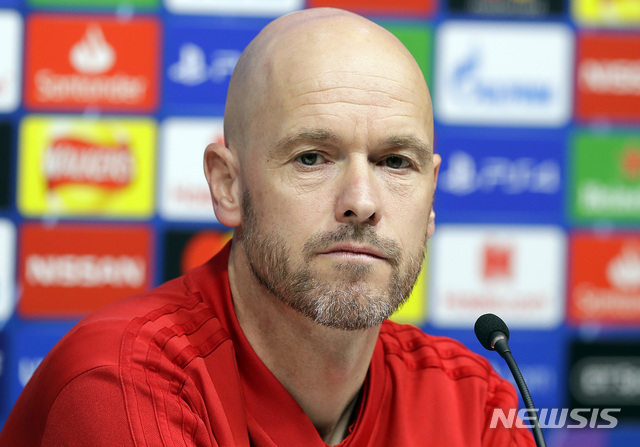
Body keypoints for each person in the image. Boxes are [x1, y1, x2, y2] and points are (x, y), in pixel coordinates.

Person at [0, 8, 535, 446]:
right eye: (311, 158)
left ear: (432, 197)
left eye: (395, 162)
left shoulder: (473, 404)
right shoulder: (122, 383)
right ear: (227, 185)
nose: (363, 203)